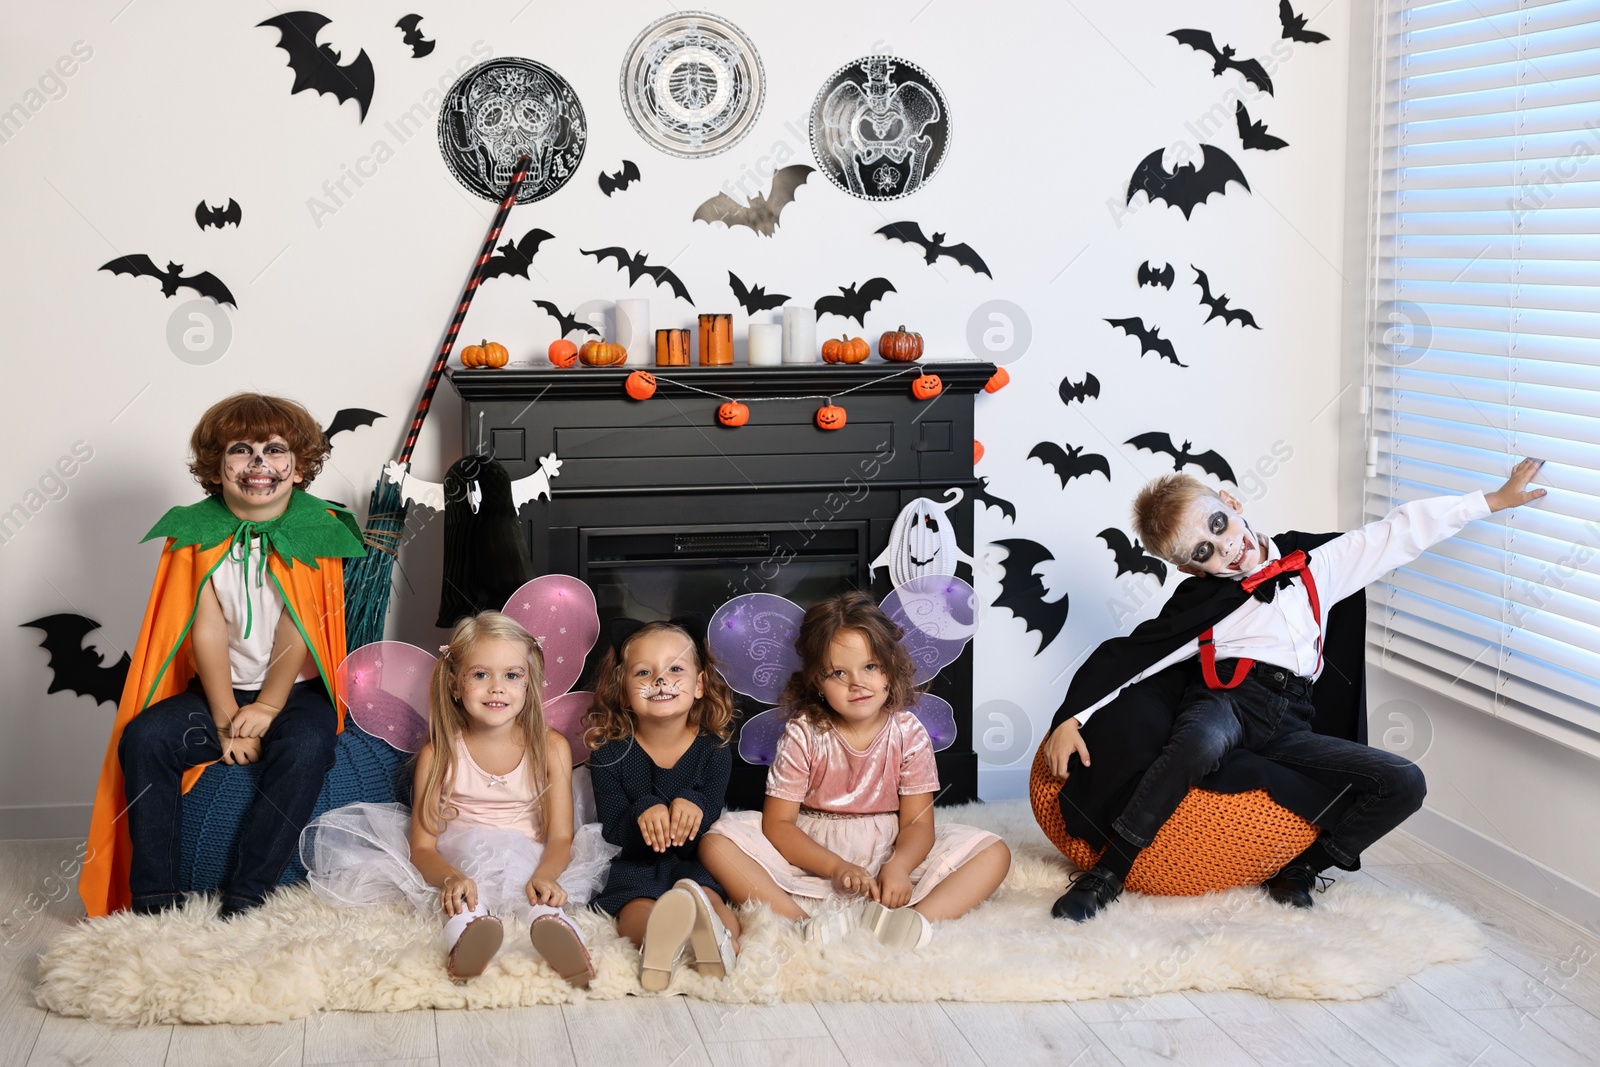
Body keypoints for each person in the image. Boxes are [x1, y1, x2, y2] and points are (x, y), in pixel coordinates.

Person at [1045, 458, 1548, 922]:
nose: (1227, 548)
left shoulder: (1319, 563)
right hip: (1226, 701)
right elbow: (1133, 656)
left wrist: (1492, 501)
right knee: (1198, 742)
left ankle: (1302, 870)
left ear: (1232, 503)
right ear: (1190, 568)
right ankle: (1108, 872)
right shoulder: (1199, 605)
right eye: (1205, 552)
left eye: (1219, 525)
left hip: (1291, 720)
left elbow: (1398, 532)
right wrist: (1069, 717)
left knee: (1404, 782)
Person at [80, 394, 366, 919]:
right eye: (241, 450)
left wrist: (268, 710)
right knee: (145, 739)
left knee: (304, 748)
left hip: (295, 694)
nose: (259, 465)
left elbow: (298, 627)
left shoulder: (318, 527)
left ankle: (247, 893)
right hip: (215, 692)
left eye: (274, 450)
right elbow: (204, 632)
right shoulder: (196, 534)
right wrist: (223, 718)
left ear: (299, 466)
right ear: (216, 467)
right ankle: (155, 900)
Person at [300, 612, 617, 983]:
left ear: (529, 685)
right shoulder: (440, 753)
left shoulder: (551, 748)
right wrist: (450, 878)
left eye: (512, 675)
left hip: (531, 856)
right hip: (459, 862)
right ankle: (467, 941)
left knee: (539, 900)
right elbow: (421, 847)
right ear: (455, 685)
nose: (496, 688)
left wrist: (546, 875)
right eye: (480, 675)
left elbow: (562, 836)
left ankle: (563, 941)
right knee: (462, 903)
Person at [701, 592, 1011, 949]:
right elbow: (778, 824)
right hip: (813, 850)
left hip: (890, 847)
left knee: (994, 852)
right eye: (838, 673)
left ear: (890, 670)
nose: (857, 683)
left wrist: (898, 866)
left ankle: (914, 919)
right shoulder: (805, 732)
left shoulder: (908, 732)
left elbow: (918, 824)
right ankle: (801, 922)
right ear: (817, 681)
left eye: (871, 667)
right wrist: (835, 867)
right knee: (715, 842)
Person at [586, 618, 741, 992]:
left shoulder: (714, 749)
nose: (661, 680)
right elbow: (612, 828)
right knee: (634, 909)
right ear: (623, 692)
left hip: (692, 861)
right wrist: (642, 811)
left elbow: (709, 819)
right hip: (636, 862)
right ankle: (658, 946)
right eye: (644, 672)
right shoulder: (609, 753)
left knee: (709, 899)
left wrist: (697, 805)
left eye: (675, 669)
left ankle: (721, 943)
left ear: (699, 685)